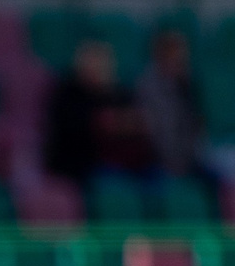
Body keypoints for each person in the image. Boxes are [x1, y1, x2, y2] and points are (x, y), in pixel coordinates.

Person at [39, 39, 144, 185]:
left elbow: (136, 125)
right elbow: (72, 133)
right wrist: (105, 122)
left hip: (126, 163)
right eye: (91, 63)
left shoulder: (120, 94)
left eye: (101, 64)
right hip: (82, 166)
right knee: (114, 186)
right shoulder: (67, 94)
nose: (96, 68)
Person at [133, 28, 201, 178]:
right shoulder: (148, 87)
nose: (181, 60)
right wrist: (177, 166)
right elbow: (158, 135)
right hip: (156, 163)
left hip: (187, 162)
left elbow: (194, 131)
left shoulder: (186, 85)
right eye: (175, 55)